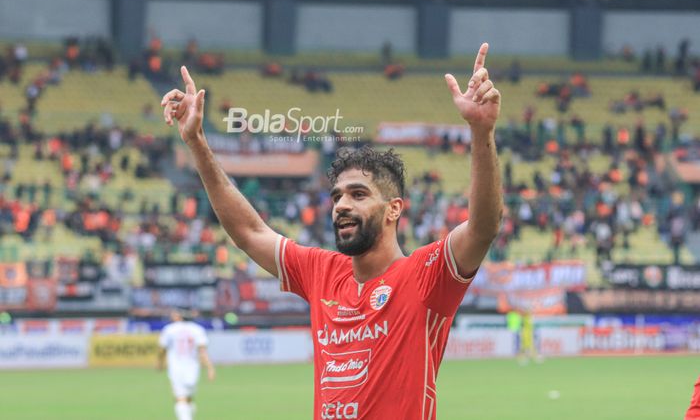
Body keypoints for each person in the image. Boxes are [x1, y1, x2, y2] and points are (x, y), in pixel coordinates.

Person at [161, 43, 502, 419]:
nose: (341, 204)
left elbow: (483, 227)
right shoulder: (322, 272)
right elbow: (249, 232)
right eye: (337, 195)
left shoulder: (425, 275)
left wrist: (481, 132)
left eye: (358, 195)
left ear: (393, 210)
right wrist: (196, 142)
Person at [158, 308, 216, 420]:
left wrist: (160, 363)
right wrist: (210, 368)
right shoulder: (197, 329)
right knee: (188, 398)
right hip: (193, 368)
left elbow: (162, 349)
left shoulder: (169, 329)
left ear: (180, 316)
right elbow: (202, 352)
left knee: (181, 398)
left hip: (176, 368)